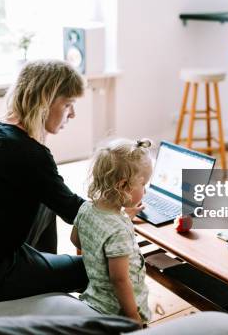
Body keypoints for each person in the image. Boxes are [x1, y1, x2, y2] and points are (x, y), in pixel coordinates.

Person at [0, 60, 146, 308]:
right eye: (68, 104)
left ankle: (44, 272)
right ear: (46, 101)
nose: (73, 113)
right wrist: (118, 213)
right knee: (99, 270)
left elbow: (61, 200)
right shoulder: (28, 154)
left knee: (46, 199)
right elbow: (77, 212)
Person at [71, 138, 153, 327]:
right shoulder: (118, 231)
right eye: (143, 185)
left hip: (95, 298)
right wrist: (133, 317)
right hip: (118, 313)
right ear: (123, 186)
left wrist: (124, 217)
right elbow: (120, 279)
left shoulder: (86, 207)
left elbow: (75, 239)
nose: (145, 190)